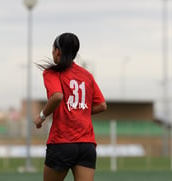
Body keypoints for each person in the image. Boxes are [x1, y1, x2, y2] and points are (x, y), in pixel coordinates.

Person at [34, 32, 107, 181]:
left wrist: (41, 117)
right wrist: (81, 111)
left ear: (58, 51)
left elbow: (57, 96)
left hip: (62, 142)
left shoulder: (52, 73)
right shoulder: (87, 75)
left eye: (53, 49)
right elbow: (101, 105)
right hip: (87, 145)